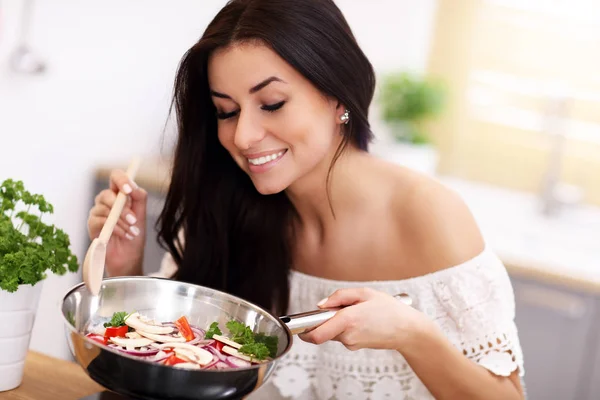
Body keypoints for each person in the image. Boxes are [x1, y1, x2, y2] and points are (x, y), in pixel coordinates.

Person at [87, 0, 525, 398]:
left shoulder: (427, 214)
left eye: (272, 103)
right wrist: (126, 269)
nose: (243, 136)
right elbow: (176, 369)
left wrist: (411, 334)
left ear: (337, 96)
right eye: (227, 111)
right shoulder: (229, 206)